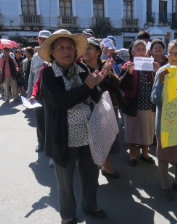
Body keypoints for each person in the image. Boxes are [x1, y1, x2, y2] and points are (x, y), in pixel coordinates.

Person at [39, 29, 107, 224]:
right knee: (65, 182)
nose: (66, 51)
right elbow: (60, 101)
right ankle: (67, 216)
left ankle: (90, 205)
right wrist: (87, 87)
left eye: (70, 47)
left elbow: (95, 96)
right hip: (62, 137)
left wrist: (98, 84)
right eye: (61, 47)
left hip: (88, 134)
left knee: (90, 174)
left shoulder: (83, 68)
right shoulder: (48, 74)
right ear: (52, 52)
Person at [151, 39, 177, 201]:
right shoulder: (162, 71)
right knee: (164, 156)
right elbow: (155, 100)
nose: (174, 57)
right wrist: (161, 83)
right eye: (171, 53)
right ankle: (164, 185)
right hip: (165, 123)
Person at [82, 37, 125, 178]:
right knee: (89, 139)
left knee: (108, 136)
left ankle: (106, 167)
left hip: (107, 107)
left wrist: (107, 74)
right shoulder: (79, 67)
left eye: (89, 48)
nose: (85, 51)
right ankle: (90, 169)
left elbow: (117, 84)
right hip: (86, 108)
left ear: (98, 52)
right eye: (84, 48)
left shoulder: (105, 64)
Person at [120, 39, 159, 167]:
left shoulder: (151, 64)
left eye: (143, 49)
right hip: (132, 105)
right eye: (138, 49)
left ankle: (145, 153)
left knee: (147, 130)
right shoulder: (127, 65)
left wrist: (156, 71)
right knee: (132, 129)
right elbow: (122, 85)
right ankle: (132, 155)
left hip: (148, 104)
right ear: (133, 51)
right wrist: (129, 72)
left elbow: (158, 83)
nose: (141, 51)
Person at [27, 30, 51, 153]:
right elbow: (31, 76)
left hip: (52, 94)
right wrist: (30, 92)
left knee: (51, 120)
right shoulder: (35, 58)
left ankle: (51, 144)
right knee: (40, 120)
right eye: (41, 39)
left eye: (45, 39)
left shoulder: (54, 54)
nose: (43, 41)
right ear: (38, 40)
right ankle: (41, 142)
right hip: (38, 94)